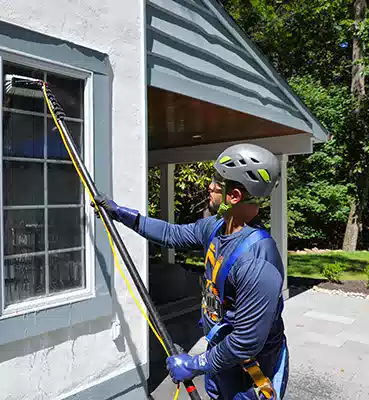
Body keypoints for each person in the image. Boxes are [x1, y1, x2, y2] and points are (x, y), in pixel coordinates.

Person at [92, 143, 289, 399]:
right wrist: (122, 215)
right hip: (221, 354)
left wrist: (194, 365)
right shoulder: (218, 227)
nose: (211, 185)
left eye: (218, 181)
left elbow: (245, 342)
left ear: (235, 196)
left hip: (250, 373)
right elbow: (171, 234)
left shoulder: (258, 262)